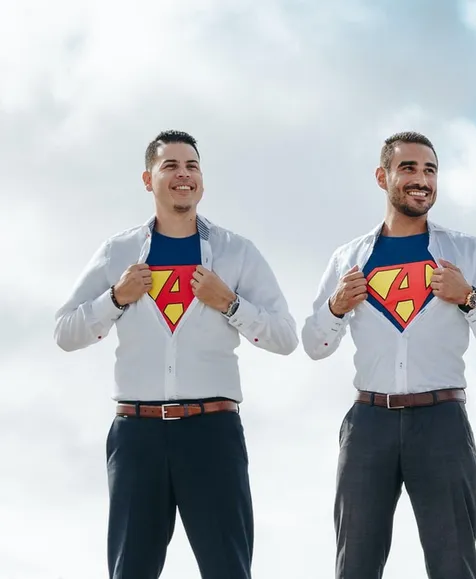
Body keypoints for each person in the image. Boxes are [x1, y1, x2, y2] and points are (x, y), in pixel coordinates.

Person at [53, 130, 298, 579]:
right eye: (171, 166)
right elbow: (65, 332)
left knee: (228, 570)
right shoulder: (118, 252)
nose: (183, 175)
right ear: (148, 180)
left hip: (212, 433)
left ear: (201, 179)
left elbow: (285, 336)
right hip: (136, 437)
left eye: (192, 166)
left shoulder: (236, 252)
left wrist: (231, 303)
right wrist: (116, 297)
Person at [301, 131, 476, 579]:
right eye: (409, 168)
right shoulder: (349, 258)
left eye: (430, 170)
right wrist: (337, 306)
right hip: (368, 424)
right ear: (383, 177)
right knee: (355, 565)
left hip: (442, 423)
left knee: (452, 564)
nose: (422, 180)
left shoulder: (466, 252)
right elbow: (315, 345)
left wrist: (468, 297)